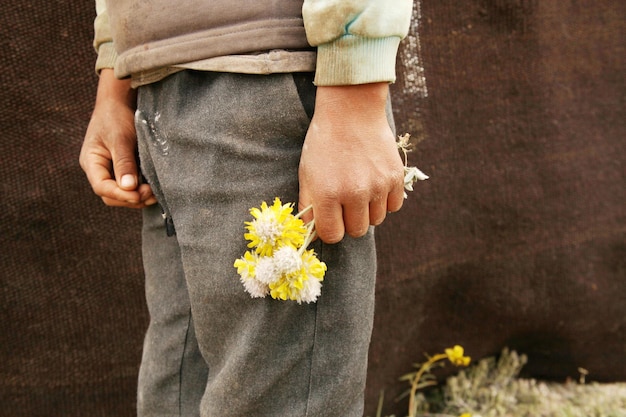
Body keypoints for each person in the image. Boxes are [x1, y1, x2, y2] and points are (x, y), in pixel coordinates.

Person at [79, 1, 413, 416]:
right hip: (159, 89)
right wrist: (113, 85)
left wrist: (354, 96)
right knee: (175, 393)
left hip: (268, 76)